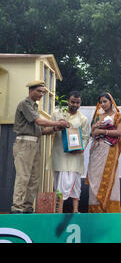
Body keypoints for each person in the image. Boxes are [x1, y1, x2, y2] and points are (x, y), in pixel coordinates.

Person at [11, 80, 70, 214]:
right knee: (23, 176)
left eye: (43, 92)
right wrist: (58, 122)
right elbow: (39, 122)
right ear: (30, 90)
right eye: (39, 91)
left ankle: (27, 207)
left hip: (34, 142)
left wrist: (56, 128)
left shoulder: (35, 107)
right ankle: (17, 207)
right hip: (24, 143)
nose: (41, 94)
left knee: (34, 178)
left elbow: (41, 131)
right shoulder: (25, 104)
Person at [51, 91, 89, 213]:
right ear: (68, 101)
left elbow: (85, 137)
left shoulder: (83, 119)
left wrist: (81, 148)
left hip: (75, 156)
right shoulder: (58, 114)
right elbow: (47, 130)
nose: (75, 104)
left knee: (75, 183)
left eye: (78, 102)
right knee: (59, 185)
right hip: (60, 155)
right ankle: (58, 211)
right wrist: (58, 125)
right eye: (72, 102)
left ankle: (75, 210)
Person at [86, 92, 121, 213]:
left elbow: (119, 133)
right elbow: (92, 133)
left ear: (111, 102)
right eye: (101, 102)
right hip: (96, 150)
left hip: (109, 150)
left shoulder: (117, 116)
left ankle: (109, 210)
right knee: (94, 179)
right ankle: (95, 209)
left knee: (108, 179)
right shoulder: (97, 115)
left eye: (105, 101)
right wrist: (95, 127)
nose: (103, 104)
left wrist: (103, 131)